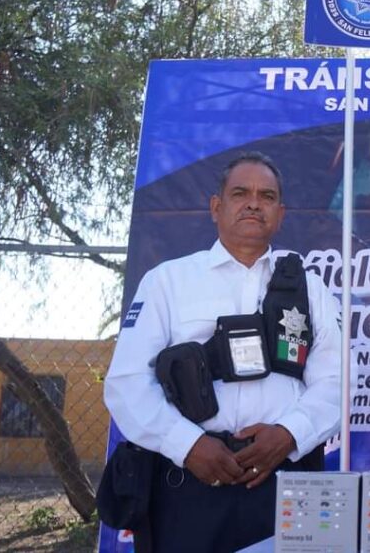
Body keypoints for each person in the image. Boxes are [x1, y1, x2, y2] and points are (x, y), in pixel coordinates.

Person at [103, 152, 341, 553]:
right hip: (188, 485)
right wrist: (189, 445)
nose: (253, 203)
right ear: (217, 207)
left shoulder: (309, 288)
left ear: (280, 214)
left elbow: (336, 380)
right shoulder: (168, 282)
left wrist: (287, 435)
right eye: (240, 193)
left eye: (266, 196)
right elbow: (127, 383)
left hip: (283, 481)